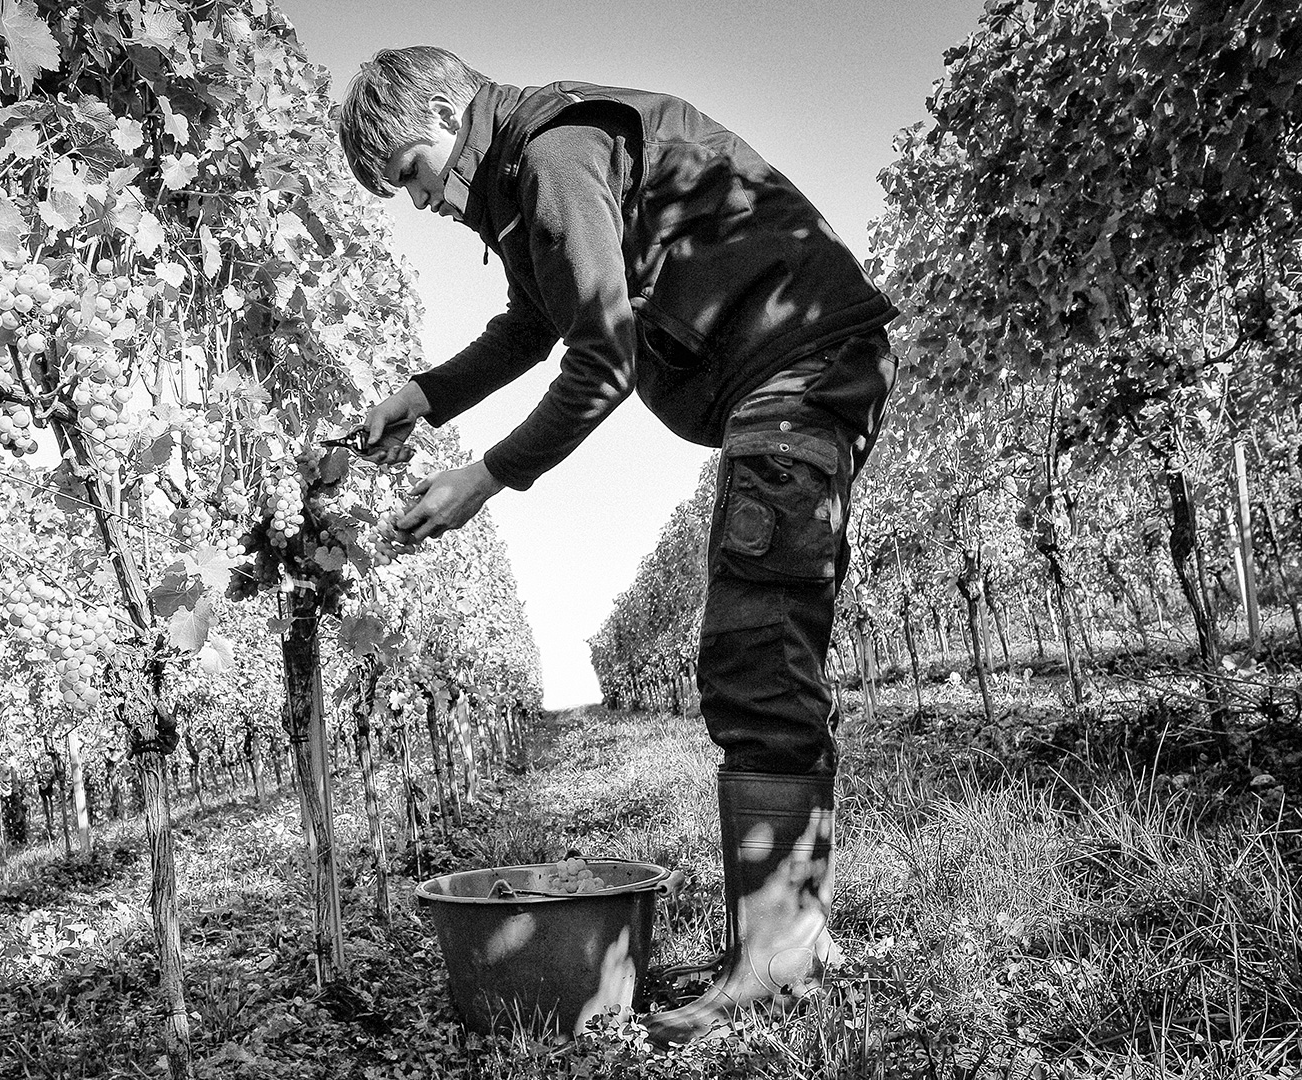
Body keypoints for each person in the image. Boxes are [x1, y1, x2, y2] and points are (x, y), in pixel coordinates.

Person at [336, 47, 898, 1043]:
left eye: (414, 173)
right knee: (755, 646)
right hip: (791, 367)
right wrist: (422, 399)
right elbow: (531, 327)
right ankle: (787, 937)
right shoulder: (525, 173)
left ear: (443, 107)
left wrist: (489, 474)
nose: (420, 201)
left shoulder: (549, 157)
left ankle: (779, 956)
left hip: (801, 360)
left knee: (753, 647)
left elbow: (602, 354)